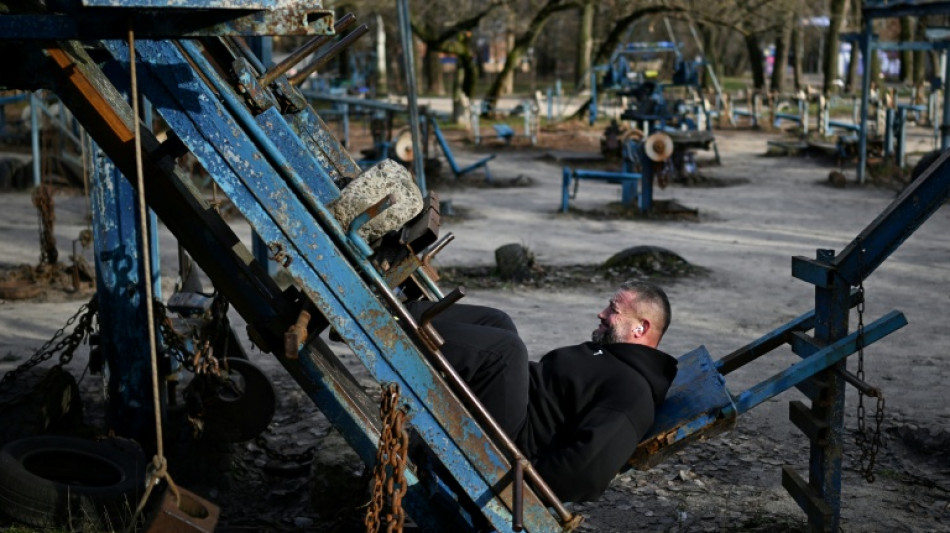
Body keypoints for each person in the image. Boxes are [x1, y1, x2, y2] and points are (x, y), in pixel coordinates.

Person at [407, 280, 678, 502]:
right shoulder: (612, 357)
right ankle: (401, 310)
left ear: (640, 328)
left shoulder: (633, 392)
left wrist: (519, 482)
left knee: (507, 351)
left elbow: (586, 472)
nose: (602, 314)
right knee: (498, 321)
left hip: (510, 448)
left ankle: (392, 325)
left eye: (613, 310)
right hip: (515, 408)